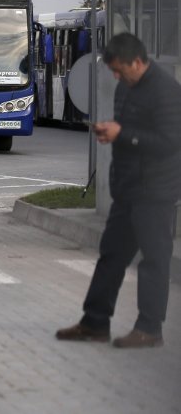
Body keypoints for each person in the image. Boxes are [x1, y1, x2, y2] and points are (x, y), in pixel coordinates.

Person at [56, 32, 180, 348]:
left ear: (137, 62)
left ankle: (149, 329)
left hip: (155, 192)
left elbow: (170, 142)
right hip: (127, 190)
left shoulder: (166, 91)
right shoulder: (127, 86)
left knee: (154, 261)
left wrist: (122, 133)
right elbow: (127, 131)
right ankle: (94, 323)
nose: (116, 77)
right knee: (111, 255)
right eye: (112, 71)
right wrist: (110, 133)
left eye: (119, 70)